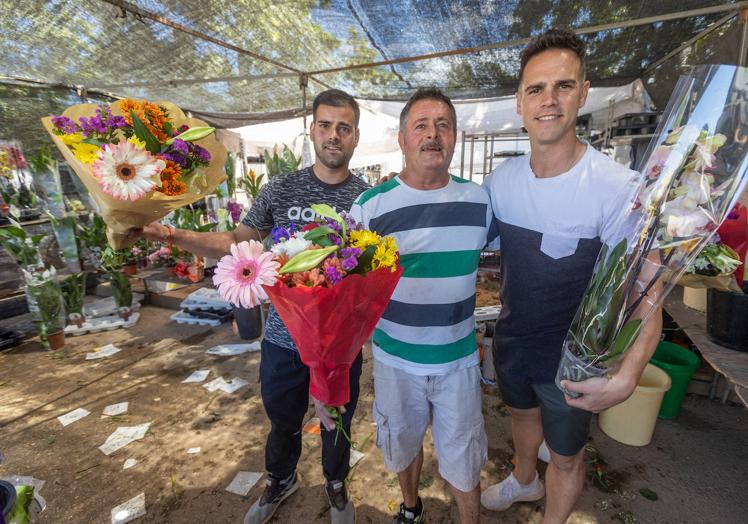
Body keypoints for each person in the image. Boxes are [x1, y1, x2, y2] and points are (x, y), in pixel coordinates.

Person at [135, 89, 370, 524]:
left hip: (340, 347)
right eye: (325, 125)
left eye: (344, 127)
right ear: (312, 131)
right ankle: (281, 479)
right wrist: (167, 235)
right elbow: (236, 241)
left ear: (356, 136)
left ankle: (336, 486)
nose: (334, 135)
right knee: (283, 420)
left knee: (338, 421)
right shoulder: (281, 188)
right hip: (283, 339)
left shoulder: (369, 198)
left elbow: (376, 268)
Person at [480, 29, 662, 523]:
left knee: (565, 457)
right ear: (519, 102)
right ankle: (522, 481)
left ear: (583, 93)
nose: (549, 100)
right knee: (520, 417)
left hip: (575, 365)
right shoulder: (500, 184)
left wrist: (627, 375)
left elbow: (648, 295)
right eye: (535, 89)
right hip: (514, 344)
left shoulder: (617, 188)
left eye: (563, 86)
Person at [350, 88, 497, 524]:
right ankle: (411, 507)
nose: (433, 135)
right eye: (421, 125)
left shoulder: (481, 202)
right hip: (396, 360)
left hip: (458, 361)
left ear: (454, 138)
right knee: (401, 442)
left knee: (465, 454)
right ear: (402, 139)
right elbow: (348, 291)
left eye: (443, 125)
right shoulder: (370, 208)